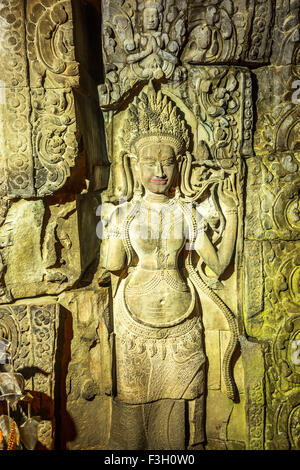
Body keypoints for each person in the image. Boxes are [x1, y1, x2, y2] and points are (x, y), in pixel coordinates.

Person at [100, 82, 238, 450]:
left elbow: (221, 264)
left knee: (181, 407)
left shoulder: (186, 213)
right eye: (149, 161)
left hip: (182, 323)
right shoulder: (125, 214)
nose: (159, 170)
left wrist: (234, 212)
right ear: (134, 164)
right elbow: (113, 265)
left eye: (168, 161)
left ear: (181, 164)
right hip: (135, 325)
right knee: (132, 410)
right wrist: (113, 223)